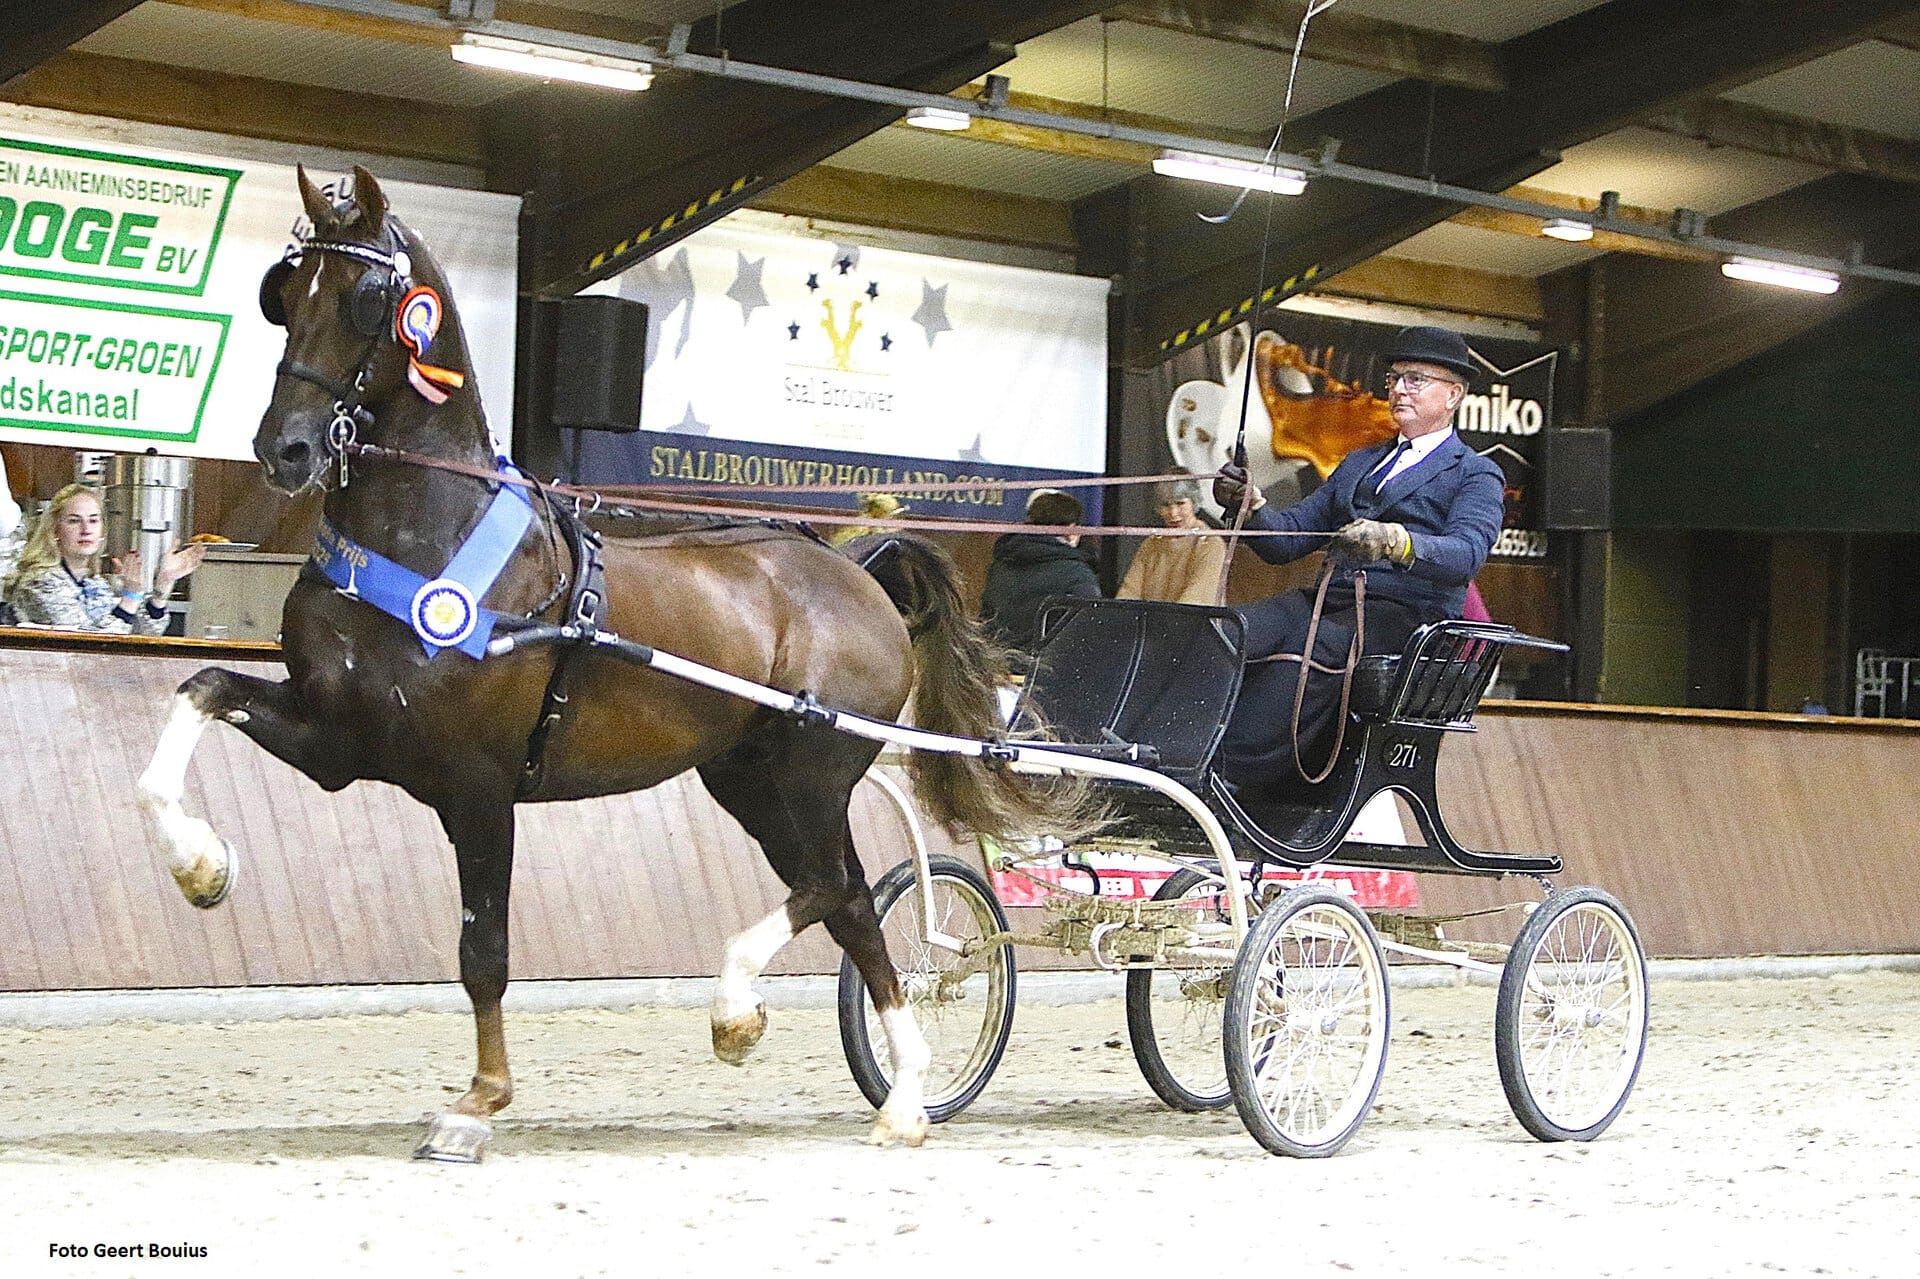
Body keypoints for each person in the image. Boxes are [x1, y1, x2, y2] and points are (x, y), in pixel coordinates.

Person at [1211, 325, 1503, 797]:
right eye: (1393, 379)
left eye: (1415, 379)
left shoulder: (1475, 473)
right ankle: (1179, 752)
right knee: (1226, 630)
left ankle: (1235, 775)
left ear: (1453, 395)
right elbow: (1286, 542)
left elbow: (1465, 555)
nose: (1398, 389)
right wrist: (1251, 507)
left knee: (1312, 649)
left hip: (1406, 617)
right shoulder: (1358, 462)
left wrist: (1395, 541)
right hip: (1331, 600)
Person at [3, 482, 206, 635]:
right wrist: (130, 597)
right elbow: (90, 643)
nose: (86, 530)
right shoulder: (40, 583)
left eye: (93, 520)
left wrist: (164, 584)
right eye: (74, 521)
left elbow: (143, 634)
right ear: (55, 530)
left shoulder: (95, 582)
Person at [978, 487, 1100, 665]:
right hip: (1047, 673)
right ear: (1072, 529)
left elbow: (986, 619)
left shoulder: (1001, 564)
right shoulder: (1078, 574)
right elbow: (1088, 632)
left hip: (998, 668)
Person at [1117, 478, 1227, 605]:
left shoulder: (1211, 544)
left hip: (1191, 622)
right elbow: (1129, 592)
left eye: (1180, 503)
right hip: (1151, 622)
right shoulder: (1151, 544)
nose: (1173, 513)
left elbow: (1195, 601)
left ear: (1194, 503)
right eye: (1166, 505)